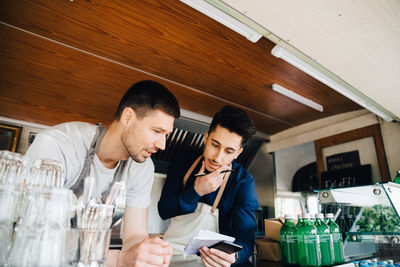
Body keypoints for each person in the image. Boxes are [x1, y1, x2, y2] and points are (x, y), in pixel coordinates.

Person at [25, 80, 180, 266]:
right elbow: (35, 233)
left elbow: (135, 235)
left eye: (166, 135)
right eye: (157, 131)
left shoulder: (142, 168)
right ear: (128, 117)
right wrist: (120, 259)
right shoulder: (58, 145)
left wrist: (146, 254)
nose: (162, 145)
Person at [158, 105, 259, 266]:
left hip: (214, 262)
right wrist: (196, 191)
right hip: (176, 257)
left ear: (238, 153)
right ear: (206, 138)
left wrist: (234, 257)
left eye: (228, 151)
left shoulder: (243, 182)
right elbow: (164, 210)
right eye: (215, 145)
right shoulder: (183, 162)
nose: (218, 158)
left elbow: (245, 239)